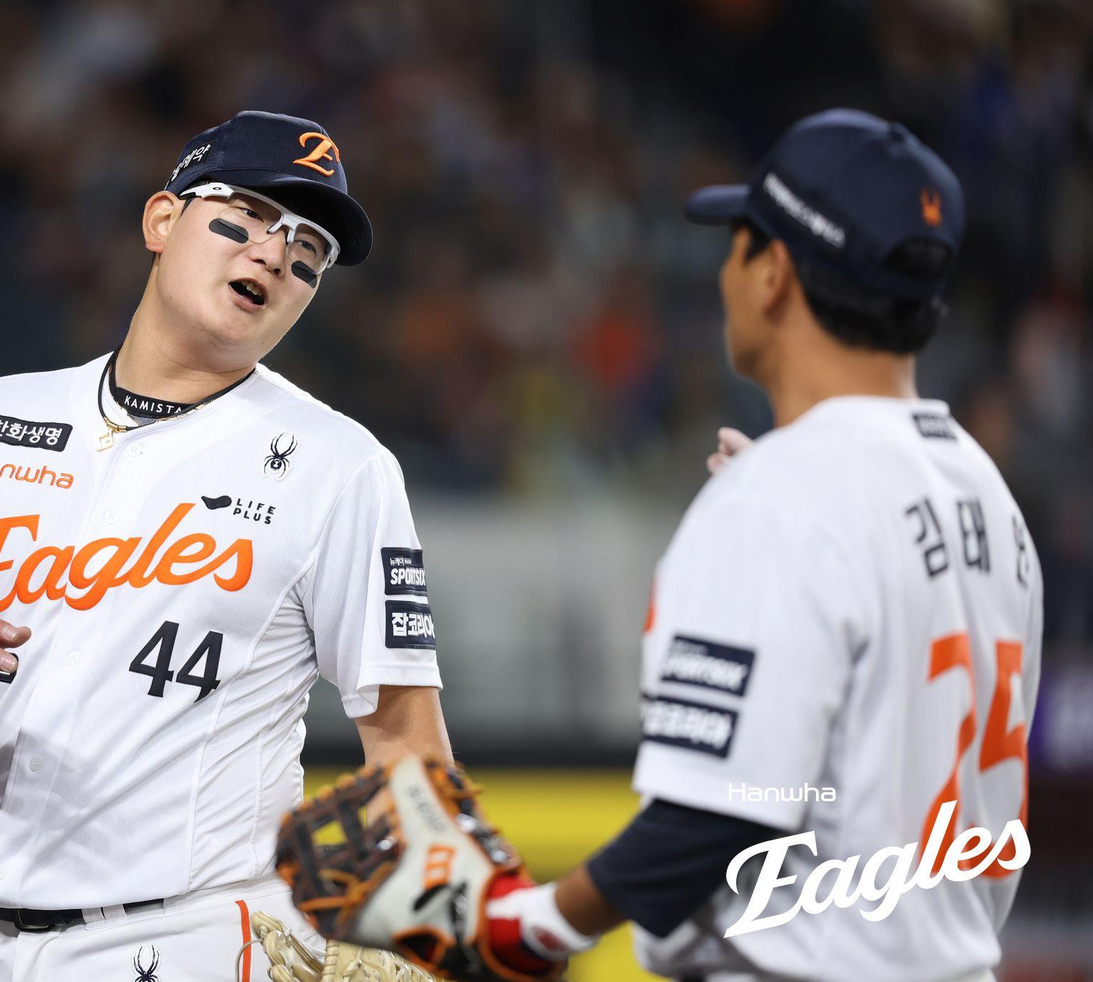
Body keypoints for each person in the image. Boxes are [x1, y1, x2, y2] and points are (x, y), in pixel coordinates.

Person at [412, 109, 1042, 981]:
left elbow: (714, 820)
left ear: (773, 273)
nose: (726, 271)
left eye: (738, 243)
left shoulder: (782, 499)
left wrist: (533, 923)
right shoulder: (981, 490)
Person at [0, 110, 452, 981]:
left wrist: (426, 930)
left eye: (307, 253)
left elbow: (405, 743)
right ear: (162, 222)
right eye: (244, 218)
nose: (274, 255)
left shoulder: (341, 467)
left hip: (200, 937)